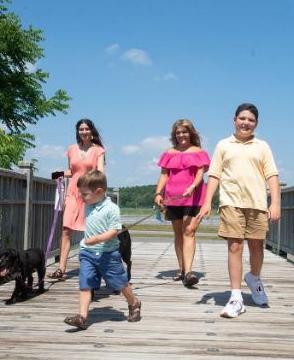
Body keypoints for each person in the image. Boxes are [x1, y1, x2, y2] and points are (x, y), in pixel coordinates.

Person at [196, 103, 280, 318]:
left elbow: (272, 175)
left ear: (256, 124)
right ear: (234, 120)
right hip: (230, 202)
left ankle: (254, 278)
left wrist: (275, 203)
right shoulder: (224, 145)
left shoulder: (262, 146)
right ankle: (236, 297)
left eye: (251, 120)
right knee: (235, 247)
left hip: (257, 203)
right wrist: (207, 203)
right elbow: (214, 175)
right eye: (242, 118)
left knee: (257, 247)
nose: (246, 123)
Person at [64, 170, 141, 330]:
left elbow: (114, 231)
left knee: (119, 284)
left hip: (108, 254)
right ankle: (82, 317)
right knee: (85, 283)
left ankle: (134, 302)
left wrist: (97, 239)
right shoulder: (88, 204)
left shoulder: (111, 209)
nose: (81, 197)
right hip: (87, 252)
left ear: (99, 192)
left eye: (84, 194)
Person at [154, 119, 210, 287]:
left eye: (184, 132)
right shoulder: (169, 153)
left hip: (194, 196)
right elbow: (164, 175)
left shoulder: (199, 152)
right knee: (178, 234)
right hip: (172, 197)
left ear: (191, 133)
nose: (181, 135)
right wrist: (158, 193)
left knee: (189, 231)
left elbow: (200, 173)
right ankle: (182, 268)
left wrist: (193, 186)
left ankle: (189, 271)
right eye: (178, 133)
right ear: (174, 135)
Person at [47, 119, 105, 280]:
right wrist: (60, 174)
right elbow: (73, 171)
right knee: (66, 229)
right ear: (77, 132)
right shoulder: (71, 149)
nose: (84, 132)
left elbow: (100, 172)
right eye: (81, 129)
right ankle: (61, 269)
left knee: (92, 230)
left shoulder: (98, 150)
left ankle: (96, 266)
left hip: (89, 193)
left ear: (91, 131)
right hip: (73, 193)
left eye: (86, 129)